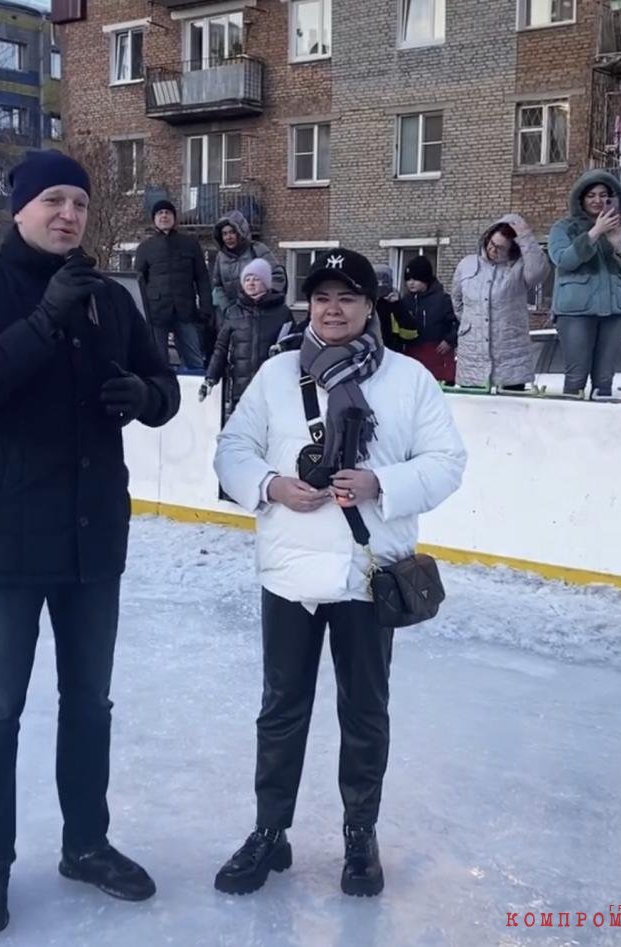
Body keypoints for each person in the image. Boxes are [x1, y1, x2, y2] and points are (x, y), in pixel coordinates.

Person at [0, 150, 180, 936]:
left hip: (89, 535)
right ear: (21, 208)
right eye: (52, 200)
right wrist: (43, 322)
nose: (68, 213)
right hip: (6, 538)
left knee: (89, 705)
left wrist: (146, 395)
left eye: (78, 201)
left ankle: (86, 843)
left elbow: (167, 388)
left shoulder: (109, 295)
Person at [213, 249, 466, 899]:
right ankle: (271, 832)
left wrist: (383, 481)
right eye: (321, 297)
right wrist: (270, 484)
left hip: (365, 574)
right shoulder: (275, 375)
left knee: (365, 712)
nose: (332, 308)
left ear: (368, 305)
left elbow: (447, 461)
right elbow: (231, 450)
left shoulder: (409, 381)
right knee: (281, 710)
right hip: (290, 574)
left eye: (347, 297)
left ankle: (360, 833)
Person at [548, 171, 621, 397]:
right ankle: (571, 426)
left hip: (615, 312)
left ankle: (600, 428)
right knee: (576, 376)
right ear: (581, 199)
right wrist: (594, 233)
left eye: (604, 195)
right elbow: (563, 260)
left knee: (605, 378)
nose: (597, 200)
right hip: (575, 312)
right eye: (591, 195)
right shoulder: (564, 227)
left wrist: (618, 243)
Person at [451, 214, 549, 391]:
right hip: (473, 359)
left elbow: (538, 273)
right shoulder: (467, 264)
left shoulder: (519, 267)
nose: (493, 250)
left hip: (511, 358)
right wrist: (471, 324)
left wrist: (525, 237)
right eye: (492, 243)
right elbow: (457, 300)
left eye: (501, 248)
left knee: (509, 414)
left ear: (512, 250)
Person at [199, 259, 293, 424]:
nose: (251, 283)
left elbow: (294, 346)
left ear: (265, 283)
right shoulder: (233, 313)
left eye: (256, 279)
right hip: (241, 389)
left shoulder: (282, 312)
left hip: (271, 389)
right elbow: (221, 348)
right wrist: (210, 378)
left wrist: (283, 349)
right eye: (247, 279)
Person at [134, 199, 213, 370]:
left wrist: (206, 308)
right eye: (160, 213)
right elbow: (138, 282)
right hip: (156, 314)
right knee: (157, 363)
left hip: (185, 310)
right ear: (154, 219)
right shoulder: (145, 248)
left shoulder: (190, 244)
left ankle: (195, 395)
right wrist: (141, 313)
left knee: (195, 361)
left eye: (168, 213)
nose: (164, 216)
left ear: (174, 218)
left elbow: (202, 278)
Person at [211, 211, 286, 316]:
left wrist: (262, 298)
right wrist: (227, 309)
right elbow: (218, 286)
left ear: (240, 232)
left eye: (232, 232)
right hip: (233, 316)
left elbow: (277, 276)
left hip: (259, 313)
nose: (228, 237)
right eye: (225, 234)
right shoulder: (220, 257)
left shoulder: (257, 249)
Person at [401, 256, 458, 385]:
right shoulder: (405, 301)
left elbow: (457, 323)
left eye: (415, 279)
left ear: (425, 279)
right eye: (408, 279)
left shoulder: (443, 300)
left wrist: (449, 341)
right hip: (413, 353)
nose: (411, 283)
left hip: (437, 353)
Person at [374, 263, 416, 354]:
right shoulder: (366, 303)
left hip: (392, 353)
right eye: (377, 281)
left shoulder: (397, 303)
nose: (381, 285)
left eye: (384, 281)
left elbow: (411, 334)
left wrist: (397, 305)